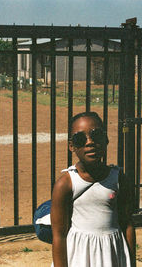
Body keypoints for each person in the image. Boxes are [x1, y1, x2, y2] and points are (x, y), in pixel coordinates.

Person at [51, 112, 136, 267]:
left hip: (112, 254)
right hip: (80, 255)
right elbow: (59, 235)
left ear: (106, 140)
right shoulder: (65, 184)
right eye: (80, 139)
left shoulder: (118, 179)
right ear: (71, 146)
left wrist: (131, 262)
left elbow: (127, 224)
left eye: (96, 135)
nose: (90, 142)